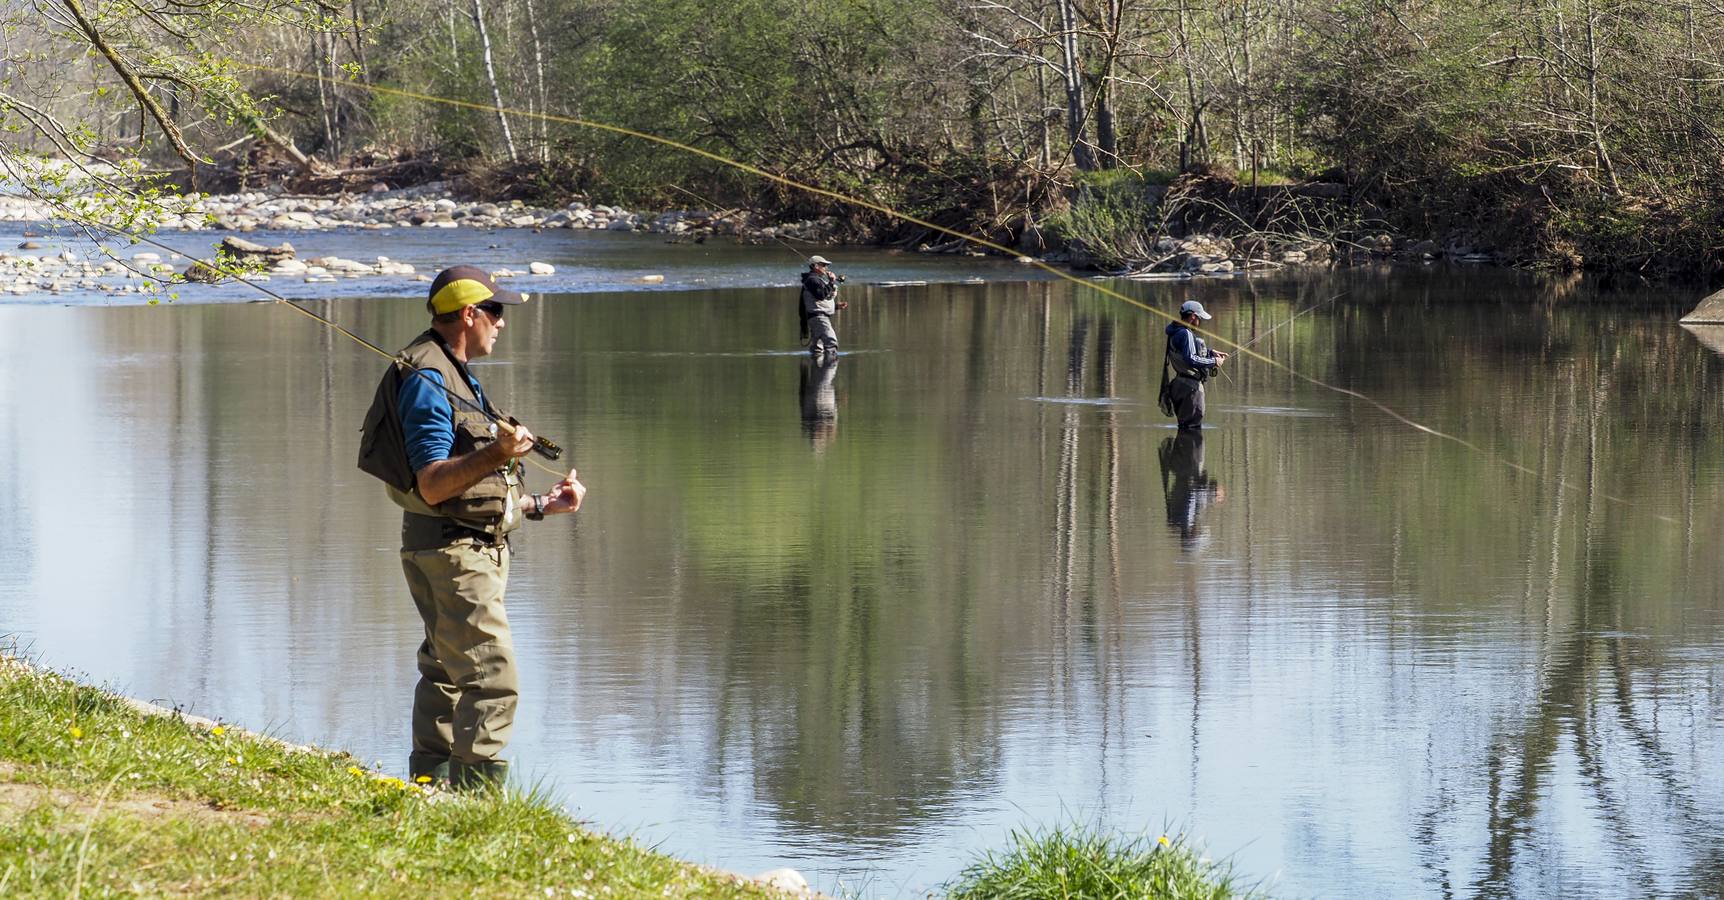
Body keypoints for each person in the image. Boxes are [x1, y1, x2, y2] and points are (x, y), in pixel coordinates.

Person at [357, 264, 585, 790]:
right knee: (493, 680)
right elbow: (434, 485)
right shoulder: (429, 380)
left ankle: (429, 793)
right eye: (497, 311)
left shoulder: (451, 371)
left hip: (453, 548)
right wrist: (499, 453)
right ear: (469, 314)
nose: (502, 323)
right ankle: (476, 811)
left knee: (447, 674)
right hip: (455, 556)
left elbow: (469, 494)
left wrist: (541, 504)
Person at [1160, 299, 1228, 430]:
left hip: (1179, 385)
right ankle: (1189, 450)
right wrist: (1214, 361)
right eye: (1199, 318)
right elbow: (1191, 358)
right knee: (1192, 429)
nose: (1200, 322)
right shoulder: (1186, 333)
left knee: (1185, 427)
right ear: (1192, 316)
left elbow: (1183, 352)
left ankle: (1182, 449)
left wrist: (1210, 352)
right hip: (1190, 389)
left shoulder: (1175, 331)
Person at [1159, 431, 1224, 551]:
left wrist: (1212, 492)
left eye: (1198, 533)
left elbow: (1191, 493)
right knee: (1190, 427)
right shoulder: (1182, 520)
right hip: (1185, 460)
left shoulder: (1185, 518)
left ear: (1192, 534)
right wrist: (1211, 493)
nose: (1199, 530)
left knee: (1191, 427)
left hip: (1188, 460)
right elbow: (1192, 494)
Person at [799, 255, 847, 356]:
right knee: (831, 343)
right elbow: (821, 295)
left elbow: (818, 301)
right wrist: (831, 281)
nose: (826, 268)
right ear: (816, 266)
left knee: (817, 349)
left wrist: (836, 306)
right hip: (819, 319)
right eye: (824, 265)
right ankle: (830, 365)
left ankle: (818, 368)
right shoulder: (812, 280)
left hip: (817, 318)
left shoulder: (816, 280)